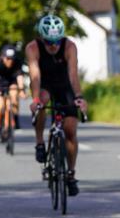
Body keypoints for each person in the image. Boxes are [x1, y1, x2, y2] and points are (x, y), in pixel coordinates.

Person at [26, 14, 87, 197]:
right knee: (42, 103)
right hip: (43, 85)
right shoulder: (32, 48)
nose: (53, 46)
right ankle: (39, 143)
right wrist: (36, 100)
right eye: (49, 42)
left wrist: (78, 97)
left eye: (56, 41)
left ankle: (71, 174)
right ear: (42, 38)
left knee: (70, 130)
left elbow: (73, 74)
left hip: (64, 85)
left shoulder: (69, 46)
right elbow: (35, 76)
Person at [0, 46, 25, 141]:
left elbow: (20, 77)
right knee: (0, 106)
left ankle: (15, 119)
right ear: (3, 57)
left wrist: (21, 90)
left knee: (14, 97)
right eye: (7, 59)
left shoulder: (17, 62)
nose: (10, 61)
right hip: (0, 84)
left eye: (12, 59)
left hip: (12, 82)